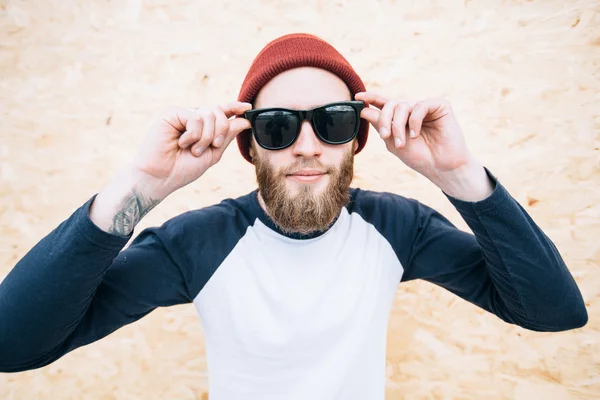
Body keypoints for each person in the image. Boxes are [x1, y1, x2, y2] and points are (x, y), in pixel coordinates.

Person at [0, 33, 588, 399]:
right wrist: (140, 187)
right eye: (278, 125)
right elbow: (13, 344)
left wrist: (457, 174)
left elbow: (552, 312)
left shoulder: (398, 229)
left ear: (355, 140)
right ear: (250, 144)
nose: (306, 146)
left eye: (331, 121)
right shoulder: (196, 244)